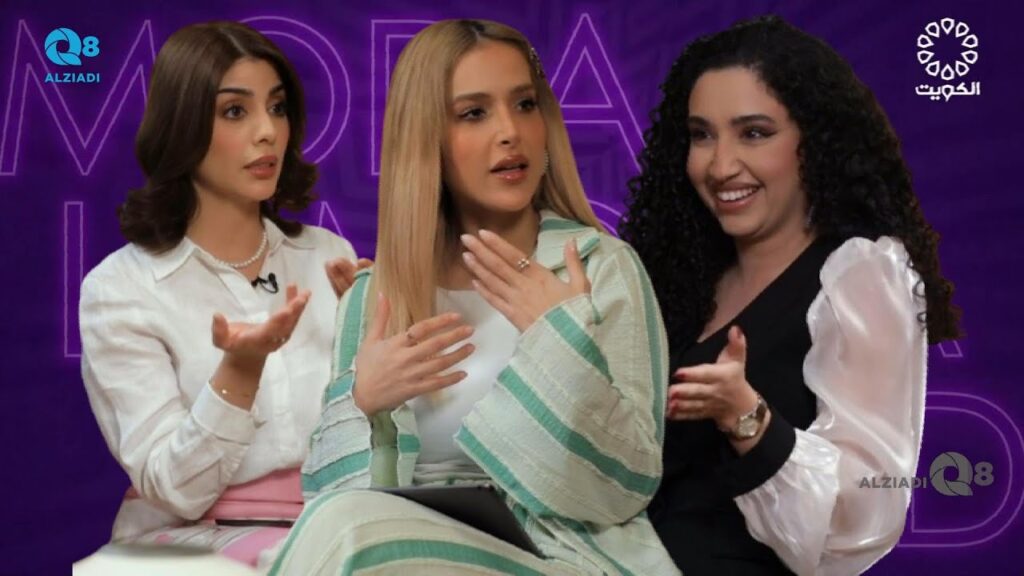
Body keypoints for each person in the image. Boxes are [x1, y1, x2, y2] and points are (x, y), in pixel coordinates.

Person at [268, 19, 679, 575]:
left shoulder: (602, 267)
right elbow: (324, 499)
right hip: (402, 556)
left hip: (561, 558)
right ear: (426, 139)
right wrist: (363, 403)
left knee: (348, 535)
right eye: (474, 113)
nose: (510, 131)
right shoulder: (373, 296)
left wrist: (559, 343)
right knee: (340, 528)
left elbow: (629, 486)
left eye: (525, 104)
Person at [620, 15, 962, 576]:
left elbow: (865, 514)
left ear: (814, 141)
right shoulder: (678, 279)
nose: (720, 165)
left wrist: (746, 416)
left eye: (754, 133)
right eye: (702, 135)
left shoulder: (862, 272)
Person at [79, 21, 363, 569]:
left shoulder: (328, 254)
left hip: (330, 526)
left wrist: (375, 355)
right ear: (182, 127)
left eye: (277, 108)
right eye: (235, 111)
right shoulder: (120, 290)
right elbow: (175, 490)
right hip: (192, 543)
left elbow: (371, 451)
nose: (268, 132)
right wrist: (239, 372)